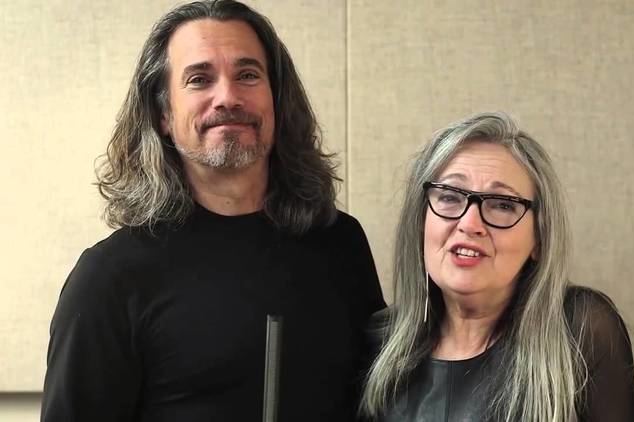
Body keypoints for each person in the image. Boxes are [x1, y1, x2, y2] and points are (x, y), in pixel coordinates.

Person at [41, 1, 385, 421]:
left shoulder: (340, 243)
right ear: (164, 114)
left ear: (276, 99)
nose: (228, 97)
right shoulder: (110, 278)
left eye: (247, 75)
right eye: (200, 79)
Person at [360, 112, 634, 421]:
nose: (470, 223)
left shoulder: (581, 329)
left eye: (503, 205)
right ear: (420, 222)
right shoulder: (379, 339)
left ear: (539, 237)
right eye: (450, 197)